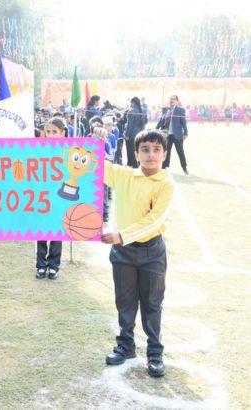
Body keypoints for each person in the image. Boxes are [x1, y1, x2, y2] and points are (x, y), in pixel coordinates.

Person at [101, 129, 174, 378]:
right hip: (123, 252)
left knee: (152, 303)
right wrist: (89, 142)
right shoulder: (124, 175)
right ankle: (125, 345)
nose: (150, 154)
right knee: (125, 301)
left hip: (152, 251)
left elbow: (154, 221)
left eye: (156, 149)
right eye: (145, 149)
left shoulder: (165, 185)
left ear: (164, 154)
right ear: (136, 153)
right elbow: (91, 164)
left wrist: (121, 235)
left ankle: (154, 353)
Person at [35, 118, 65, 280]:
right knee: (41, 231)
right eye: (48, 132)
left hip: (59, 198)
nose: (51, 135)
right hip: (42, 197)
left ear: (62, 133)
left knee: (57, 232)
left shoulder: (68, 151)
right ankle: (41, 265)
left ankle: (54, 265)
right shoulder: (39, 150)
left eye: (55, 132)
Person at [157, 95, 188, 174]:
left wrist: (185, 133)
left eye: (173, 99)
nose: (171, 100)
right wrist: (156, 129)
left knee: (180, 152)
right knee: (166, 151)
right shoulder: (166, 110)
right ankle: (164, 167)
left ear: (177, 101)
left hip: (177, 135)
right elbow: (161, 120)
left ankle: (184, 167)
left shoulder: (180, 110)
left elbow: (184, 122)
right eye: (170, 99)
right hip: (167, 135)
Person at [123, 97, 146, 168]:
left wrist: (126, 135)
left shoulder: (131, 111)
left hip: (132, 135)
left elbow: (129, 125)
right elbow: (146, 121)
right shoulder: (144, 110)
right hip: (141, 134)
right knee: (139, 151)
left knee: (131, 151)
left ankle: (131, 165)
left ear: (132, 102)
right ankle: (138, 165)